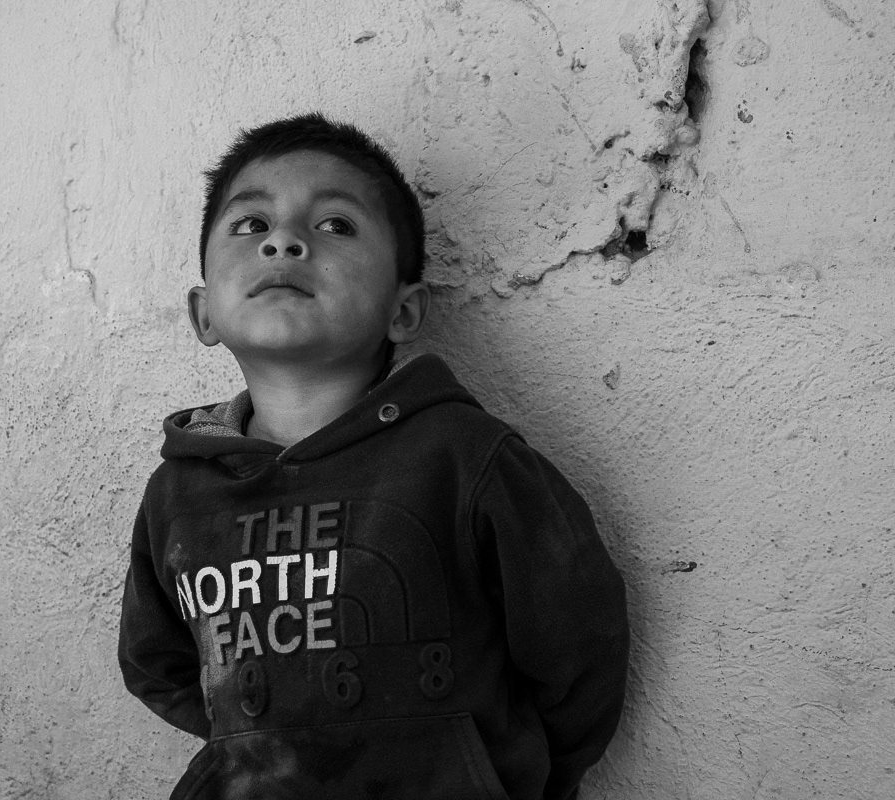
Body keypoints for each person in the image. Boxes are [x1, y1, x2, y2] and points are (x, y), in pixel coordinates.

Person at [118, 112, 629, 800]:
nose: (283, 241)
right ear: (205, 313)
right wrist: (255, 745)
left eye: (335, 224)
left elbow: (581, 643)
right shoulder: (178, 491)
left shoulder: (463, 459)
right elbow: (157, 663)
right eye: (251, 223)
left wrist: (499, 773)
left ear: (404, 311)